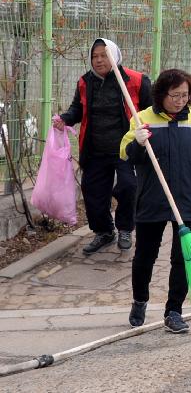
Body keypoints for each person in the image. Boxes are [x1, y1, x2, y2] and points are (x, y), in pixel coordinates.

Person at [120, 68, 191, 333]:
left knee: (183, 257)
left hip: (187, 198)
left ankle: (174, 311)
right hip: (152, 198)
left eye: (185, 95)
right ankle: (139, 300)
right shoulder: (143, 118)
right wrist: (138, 144)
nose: (180, 101)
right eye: (175, 95)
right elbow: (125, 153)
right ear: (161, 94)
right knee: (145, 255)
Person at [54, 38, 152, 254]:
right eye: (95, 56)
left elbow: (151, 112)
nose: (98, 60)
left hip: (126, 149)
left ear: (114, 55)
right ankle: (104, 232)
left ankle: (125, 228)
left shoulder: (136, 81)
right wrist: (65, 119)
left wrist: (147, 135)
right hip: (95, 148)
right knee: (93, 192)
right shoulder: (85, 82)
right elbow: (77, 110)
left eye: (104, 55)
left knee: (127, 186)